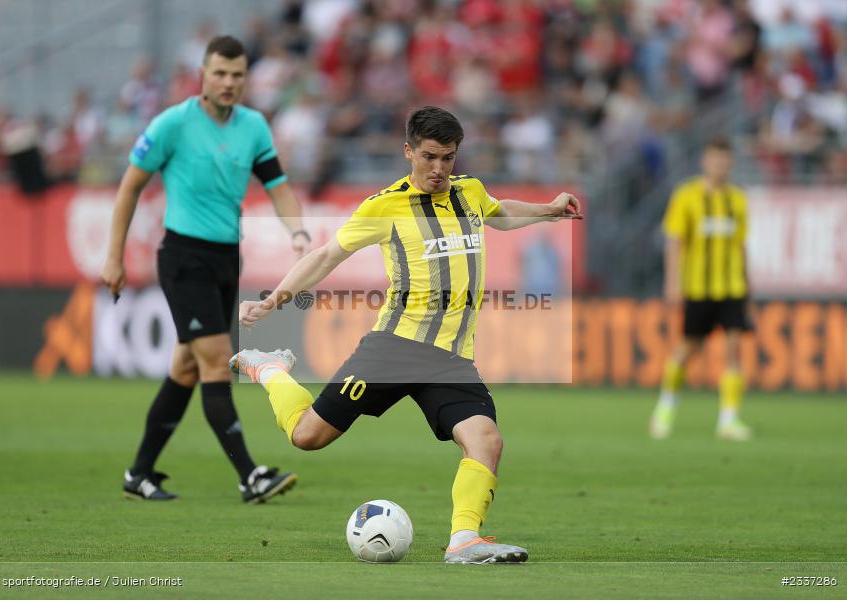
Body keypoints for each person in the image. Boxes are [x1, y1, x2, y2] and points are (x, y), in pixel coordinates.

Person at [231, 106, 582, 564]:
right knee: (307, 436)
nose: (439, 169)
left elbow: (498, 213)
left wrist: (549, 211)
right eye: (430, 157)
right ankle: (270, 368)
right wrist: (272, 300)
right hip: (394, 348)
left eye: (449, 158)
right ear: (408, 152)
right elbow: (326, 256)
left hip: (451, 359)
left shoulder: (469, 192)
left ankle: (464, 540)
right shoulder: (384, 206)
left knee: (486, 439)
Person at [101, 36, 309, 502]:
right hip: (183, 257)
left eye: (237, 75)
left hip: (225, 260)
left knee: (187, 367)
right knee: (216, 361)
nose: (229, 82)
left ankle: (139, 474)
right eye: (220, 73)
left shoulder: (254, 126)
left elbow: (277, 185)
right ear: (203, 73)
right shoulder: (173, 123)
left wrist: (296, 230)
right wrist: (113, 256)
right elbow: (130, 186)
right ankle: (250, 475)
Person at [649, 136, 753, 441]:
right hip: (697, 287)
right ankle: (665, 407)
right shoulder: (687, 195)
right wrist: (673, 281)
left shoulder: (738, 199)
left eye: (724, 160)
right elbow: (674, 240)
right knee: (687, 349)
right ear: (704, 161)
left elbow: (741, 245)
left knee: (734, 348)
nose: (720, 165)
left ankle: (729, 419)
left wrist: (748, 283)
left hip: (732, 285)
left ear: (730, 163)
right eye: (715, 159)